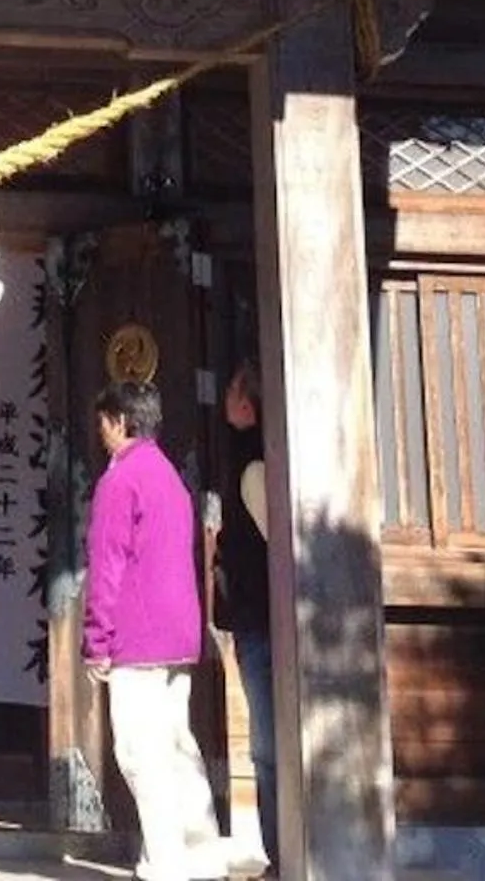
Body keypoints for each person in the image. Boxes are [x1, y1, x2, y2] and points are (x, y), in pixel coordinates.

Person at [85, 379, 230, 881]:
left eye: (104, 422)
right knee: (175, 743)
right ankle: (202, 850)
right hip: (177, 633)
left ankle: (166, 862)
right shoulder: (170, 477)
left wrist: (97, 640)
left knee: (139, 753)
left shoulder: (119, 481)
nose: (101, 433)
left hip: (136, 636)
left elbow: (107, 565)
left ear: (122, 422)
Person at [215, 358, 278, 874]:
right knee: (266, 744)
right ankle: (277, 845)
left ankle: (280, 845)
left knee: (267, 744)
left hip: (262, 621)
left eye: (234, 393)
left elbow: (272, 545)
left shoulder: (254, 467)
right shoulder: (250, 462)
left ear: (247, 405)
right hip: (257, 617)